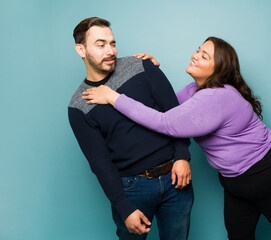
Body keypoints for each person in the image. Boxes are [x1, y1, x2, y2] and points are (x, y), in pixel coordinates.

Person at [82, 37, 271, 240]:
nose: (195, 56)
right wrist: (145, 70)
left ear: (219, 69)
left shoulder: (217, 97)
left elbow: (165, 123)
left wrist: (113, 97)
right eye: (198, 50)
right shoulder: (193, 91)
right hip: (236, 182)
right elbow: (164, 109)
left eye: (204, 56)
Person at [68, 17, 194, 240]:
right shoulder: (79, 106)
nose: (110, 51)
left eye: (113, 43)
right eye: (100, 44)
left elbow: (175, 114)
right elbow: (100, 164)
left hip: (175, 178)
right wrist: (124, 208)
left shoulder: (142, 66)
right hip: (132, 189)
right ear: (81, 50)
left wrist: (183, 157)